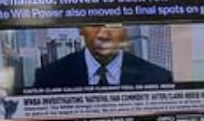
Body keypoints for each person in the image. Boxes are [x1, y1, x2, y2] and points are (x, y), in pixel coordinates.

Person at [33, 24, 172, 89]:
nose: (103, 35)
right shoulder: (48, 78)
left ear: (126, 28)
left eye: (112, 23)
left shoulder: (159, 78)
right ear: (80, 28)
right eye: (94, 22)